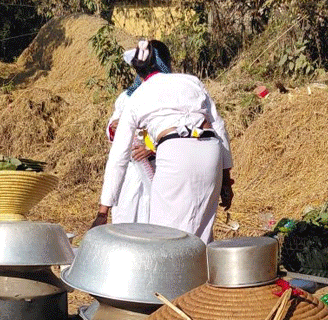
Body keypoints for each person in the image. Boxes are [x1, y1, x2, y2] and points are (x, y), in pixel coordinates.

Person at [93, 38, 234, 243]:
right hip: (210, 152)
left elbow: (118, 156)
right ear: (167, 63)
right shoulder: (191, 81)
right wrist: (226, 179)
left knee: (164, 237)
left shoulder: (138, 96)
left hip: (176, 152)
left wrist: (103, 211)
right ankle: (200, 273)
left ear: (139, 73)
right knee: (202, 232)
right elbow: (219, 127)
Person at [104, 41, 172, 225]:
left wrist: (151, 148)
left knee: (154, 220)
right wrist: (115, 126)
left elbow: (176, 129)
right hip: (130, 171)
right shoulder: (126, 97)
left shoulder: (171, 93)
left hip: (157, 168)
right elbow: (113, 124)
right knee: (126, 220)